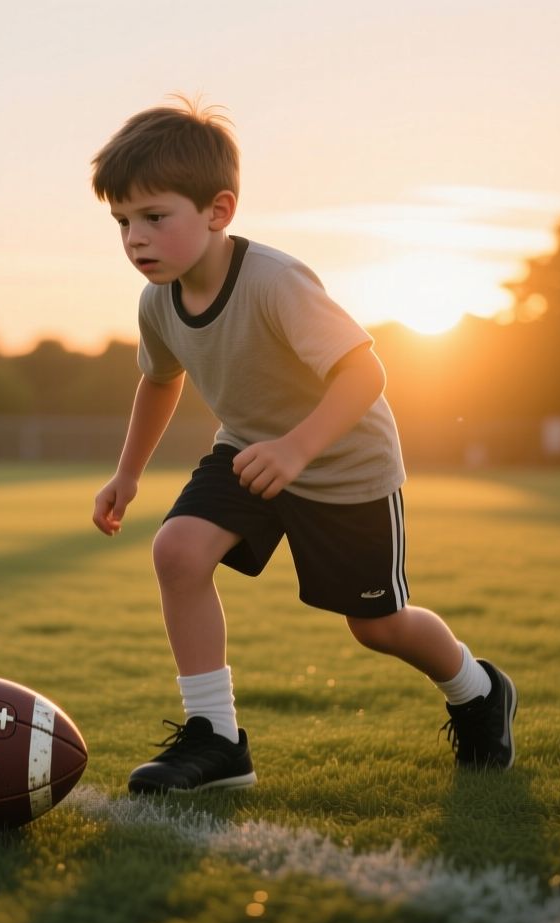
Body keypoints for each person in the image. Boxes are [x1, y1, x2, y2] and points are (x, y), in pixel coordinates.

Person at [89, 98, 517, 794]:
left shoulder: (273, 281)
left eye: (154, 217)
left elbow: (363, 373)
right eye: (123, 223)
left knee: (376, 627)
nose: (136, 238)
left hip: (345, 465)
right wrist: (127, 475)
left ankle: (478, 689)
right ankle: (218, 739)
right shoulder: (157, 303)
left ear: (218, 211)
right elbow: (158, 382)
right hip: (251, 453)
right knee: (177, 550)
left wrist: (295, 449)